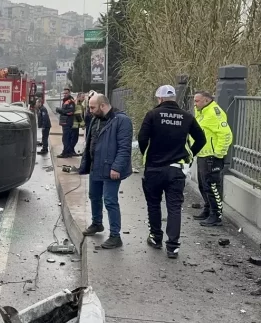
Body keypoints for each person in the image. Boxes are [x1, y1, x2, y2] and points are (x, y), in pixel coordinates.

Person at [138, 85, 206, 258]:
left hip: (154, 168)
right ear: (174, 99)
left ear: (159, 99)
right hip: (176, 169)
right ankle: (173, 246)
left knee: (153, 204)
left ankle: (155, 237)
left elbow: (142, 138)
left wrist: (147, 153)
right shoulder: (187, 116)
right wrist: (189, 155)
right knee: (174, 207)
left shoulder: (152, 115)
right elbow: (201, 139)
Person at [79, 94, 133, 249]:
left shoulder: (122, 121)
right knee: (94, 196)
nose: (90, 111)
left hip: (111, 169)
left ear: (103, 105)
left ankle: (115, 236)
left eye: (92, 107)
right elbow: (91, 142)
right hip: (96, 166)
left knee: (110, 200)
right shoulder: (96, 119)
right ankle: (97, 223)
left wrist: (116, 167)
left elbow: (124, 148)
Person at [192, 90, 233, 227]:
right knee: (203, 185)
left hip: (211, 157)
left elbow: (226, 134)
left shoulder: (214, 113)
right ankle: (208, 209)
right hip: (202, 154)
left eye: (197, 101)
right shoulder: (202, 111)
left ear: (206, 100)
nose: (194, 103)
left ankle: (216, 215)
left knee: (212, 186)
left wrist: (219, 153)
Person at [55, 88, 75, 158]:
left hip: (67, 122)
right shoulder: (65, 101)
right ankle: (68, 152)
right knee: (67, 138)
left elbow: (70, 111)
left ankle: (65, 153)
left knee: (66, 139)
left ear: (69, 93)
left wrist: (60, 110)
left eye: (66, 93)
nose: (65, 94)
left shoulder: (71, 101)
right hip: (65, 122)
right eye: (64, 93)